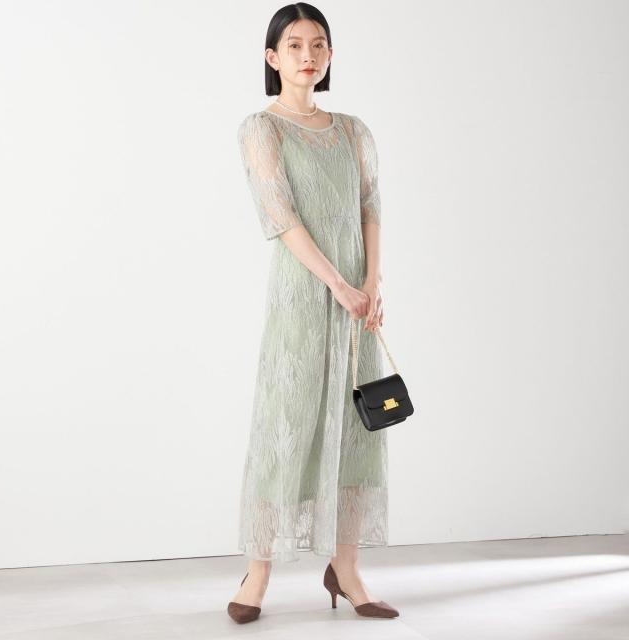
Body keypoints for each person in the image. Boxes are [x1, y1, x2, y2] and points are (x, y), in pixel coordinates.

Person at [227, 3, 399, 623]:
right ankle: (258, 572)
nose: (308, 55)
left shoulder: (354, 131)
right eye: (294, 44)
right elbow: (281, 218)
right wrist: (338, 284)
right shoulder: (261, 129)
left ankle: (345, 569)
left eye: (318, 44)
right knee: (286, 426)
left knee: (357, 429)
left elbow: (370, 207)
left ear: (330, 55)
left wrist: (370, 283)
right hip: (302, 299)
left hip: (358, 306)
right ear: (272, 57)